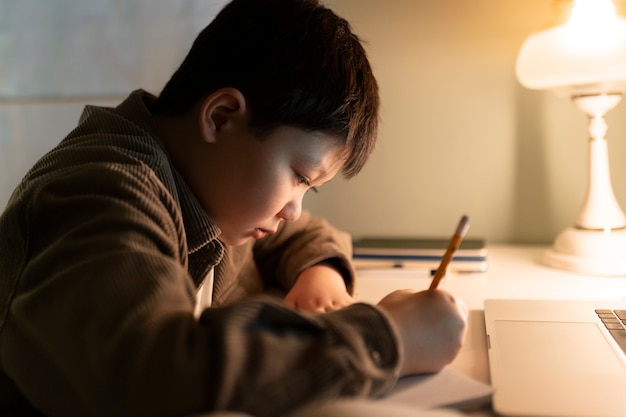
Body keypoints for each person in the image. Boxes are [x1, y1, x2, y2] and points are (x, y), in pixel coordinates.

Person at [0, 0, 468, 416]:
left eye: (310, 189)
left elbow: (303, 233)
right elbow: (157, 378)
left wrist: (319, 273)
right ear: (221, 117)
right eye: (300, 177)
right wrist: (388, 339)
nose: (292, 210)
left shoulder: (211, 190)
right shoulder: (100, 195)